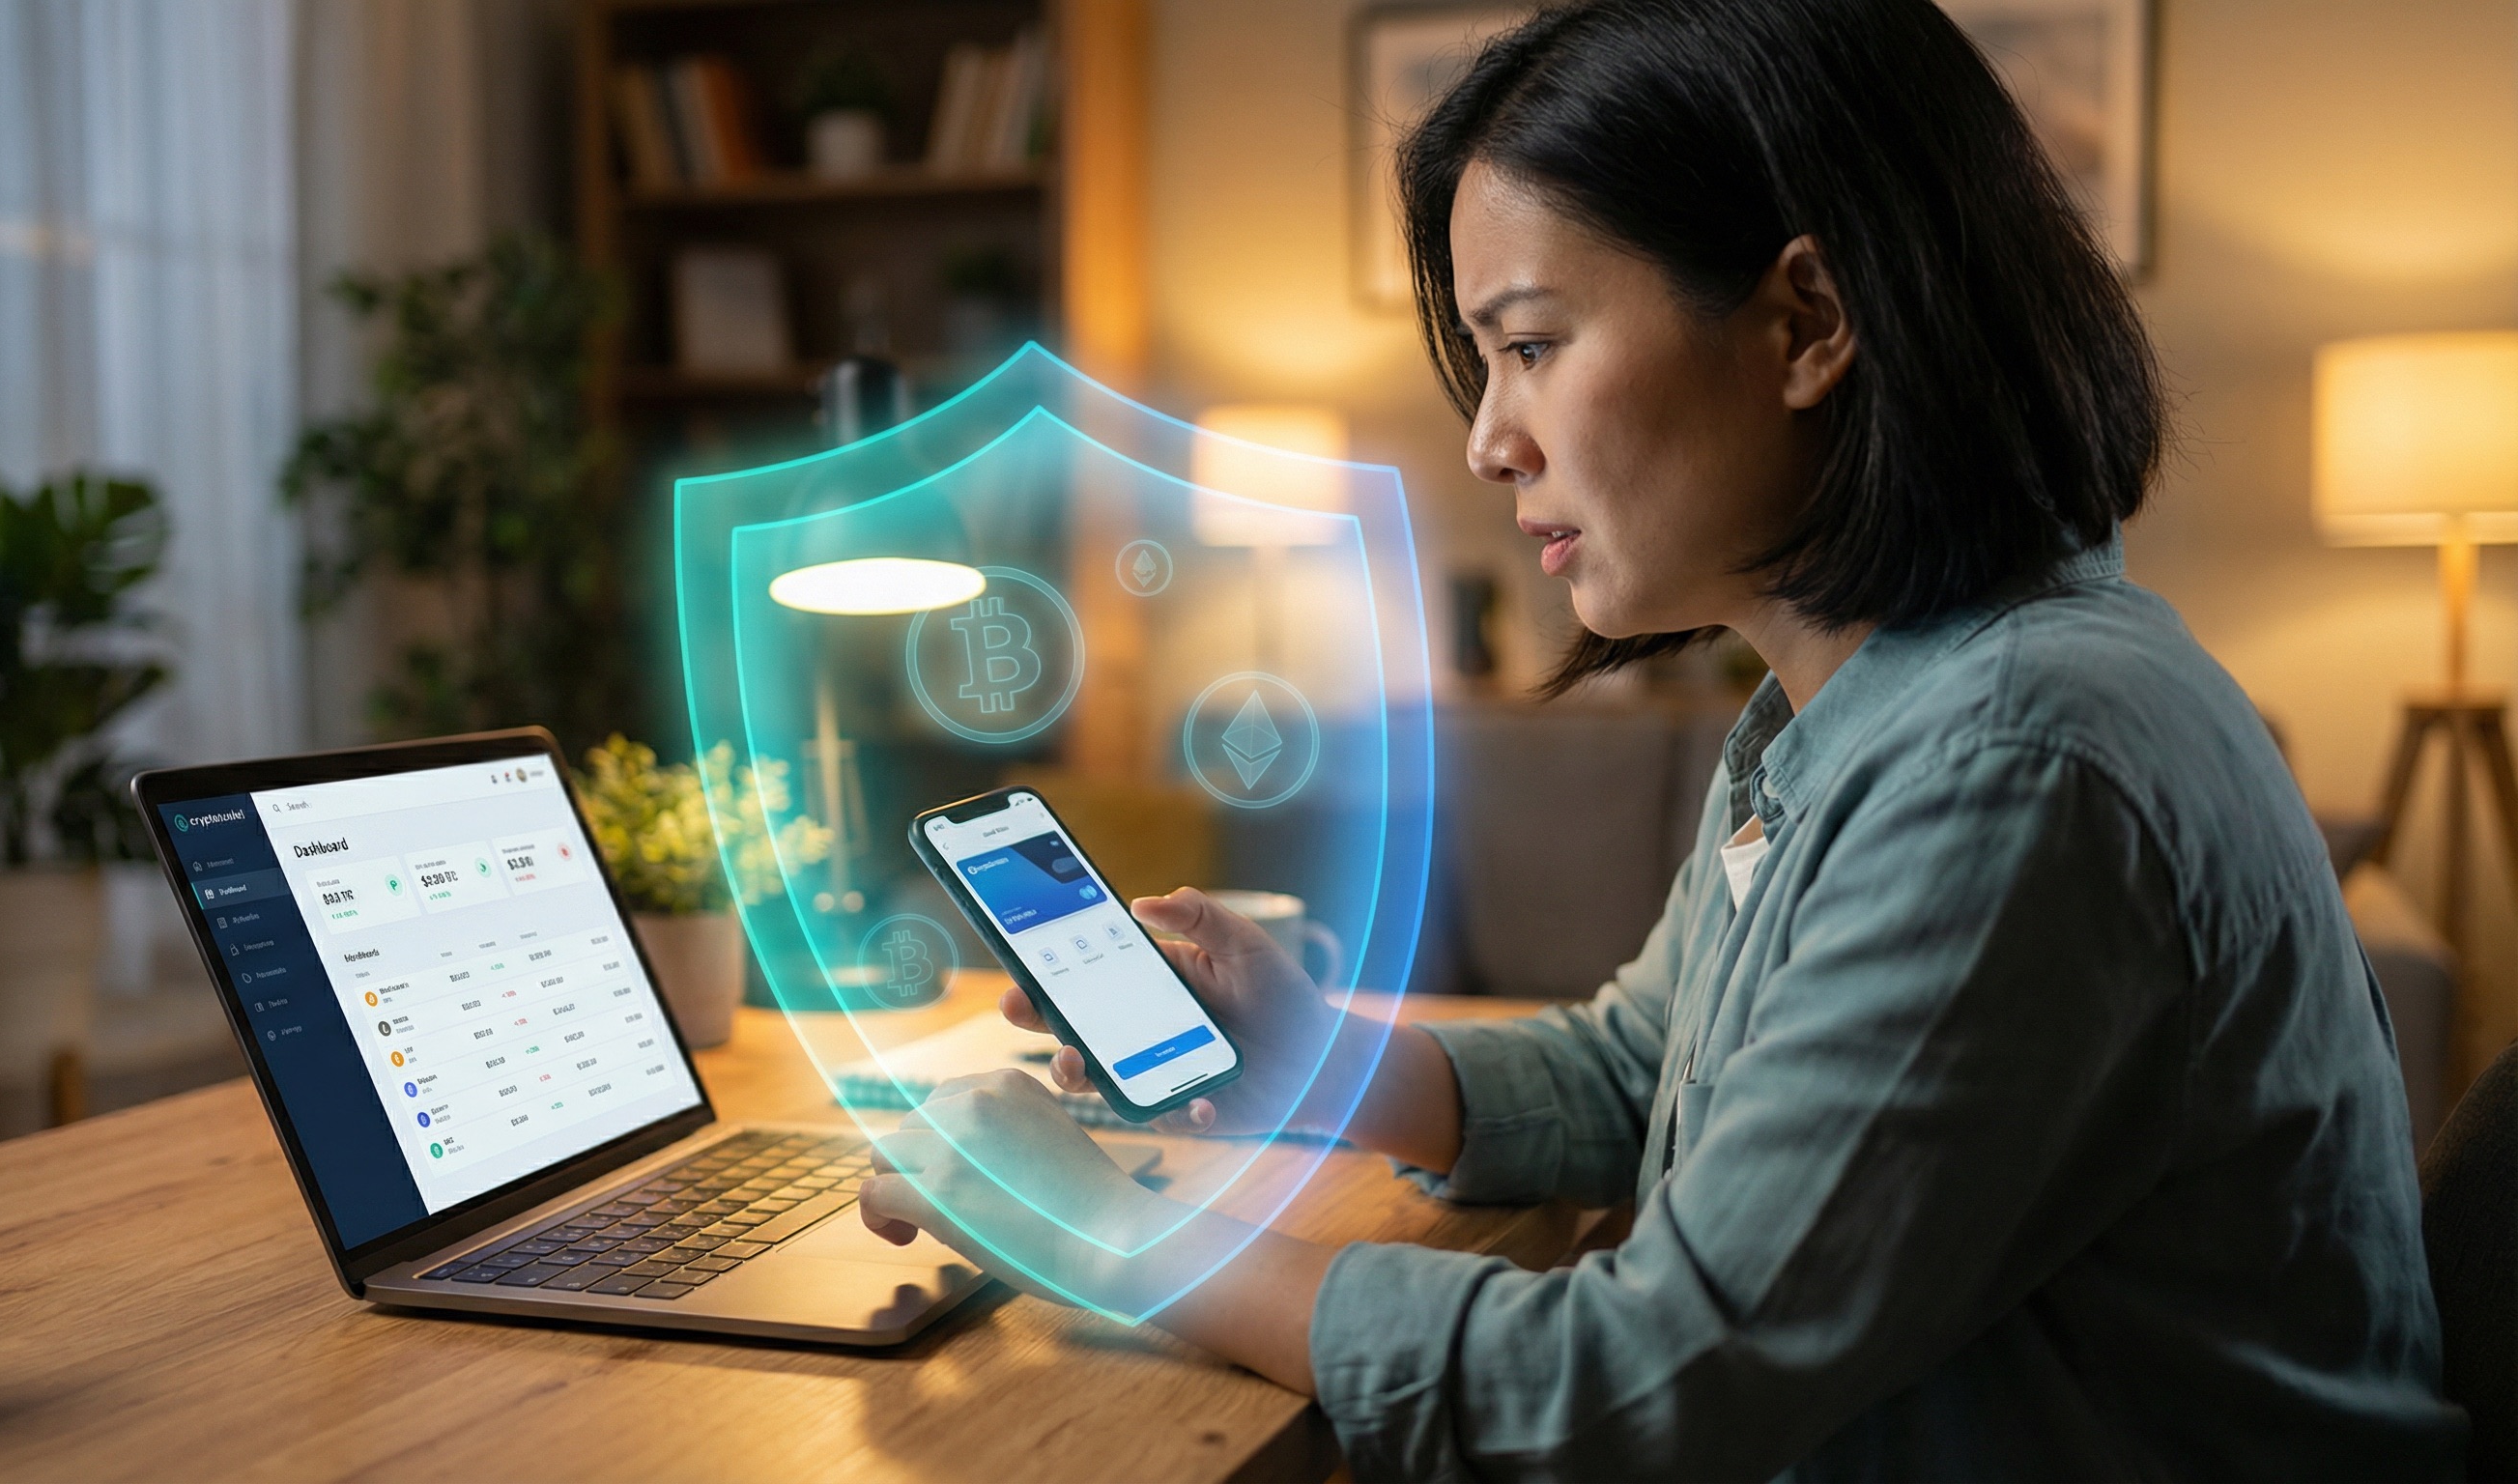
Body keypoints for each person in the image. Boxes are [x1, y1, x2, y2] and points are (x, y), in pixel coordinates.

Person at [857, 0, 2466, 1476]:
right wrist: (1312, 1059)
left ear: (1807, 321)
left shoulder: (2014, 761)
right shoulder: (1850, 705)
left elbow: (1642, 1382)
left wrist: (1082, 1219)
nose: (1490, 440)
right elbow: (1644, 1069)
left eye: (1534, 344)